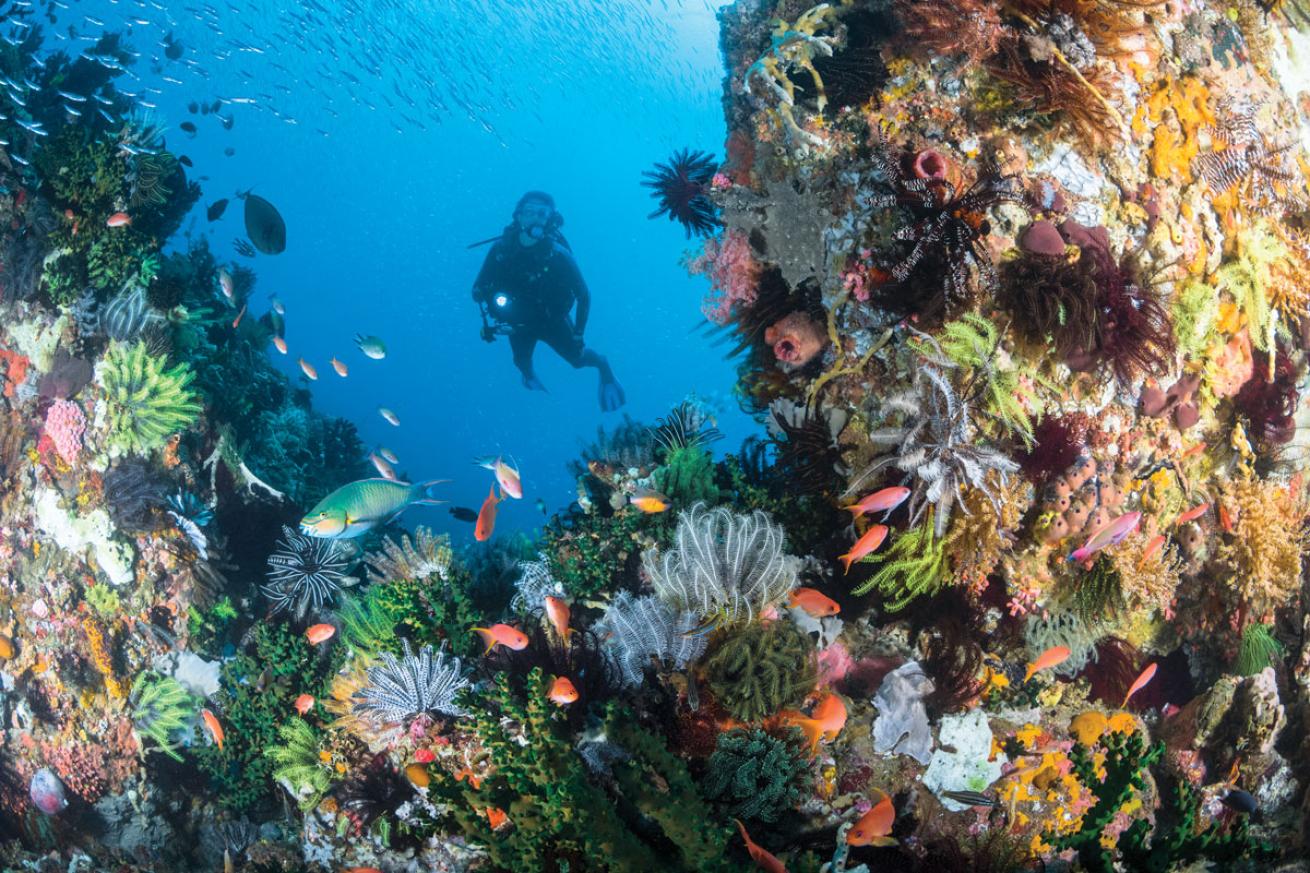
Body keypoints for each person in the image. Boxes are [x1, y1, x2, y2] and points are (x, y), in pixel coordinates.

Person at [472, 191, 625, 411]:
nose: (535, 218)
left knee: (578, 360)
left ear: (550, 220)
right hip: (518, 323)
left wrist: (578, 333)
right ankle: (532, 383)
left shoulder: (558, 254)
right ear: (518, 216)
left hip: (552, 320)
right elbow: (477, 287)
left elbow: (584, 294)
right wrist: (483, 296)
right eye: (529, 212)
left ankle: (603, 366)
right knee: (521, 363)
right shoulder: (501, 250)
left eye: (542, 214)